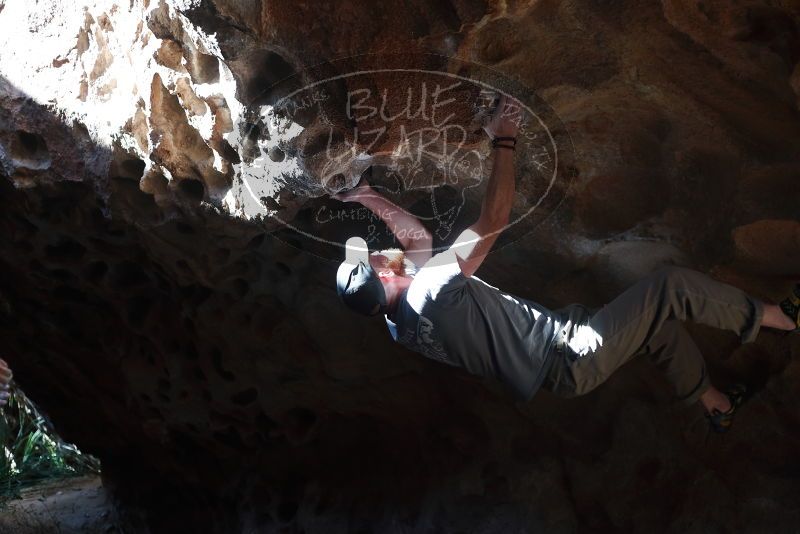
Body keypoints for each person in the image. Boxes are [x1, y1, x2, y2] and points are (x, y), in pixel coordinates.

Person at [334, 95, 799, 432]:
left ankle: (716, 405)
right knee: (669, 285)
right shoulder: (432, 286)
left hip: (559, 364)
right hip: (571, 354)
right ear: (383, 273)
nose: (380, 248)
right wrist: (505, 140)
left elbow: (415, 237)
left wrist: (366, 194)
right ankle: (781, 318)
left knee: (656, 328)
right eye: (373, 255)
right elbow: (492, 220)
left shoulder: (403, 326)